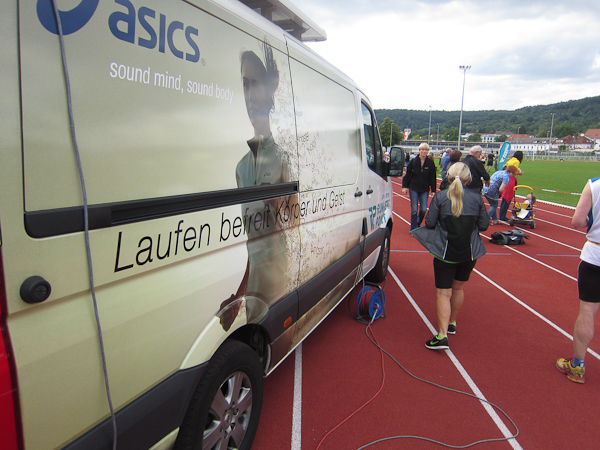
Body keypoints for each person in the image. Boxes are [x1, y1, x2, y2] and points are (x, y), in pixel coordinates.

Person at [220, 43, 289, 331]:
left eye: (256, 84)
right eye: (245, 84)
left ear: (269, 92)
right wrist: (239, 296)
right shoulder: (241, 168)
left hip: (281, 284)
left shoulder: (284, 158)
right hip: (255, 293)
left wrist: (278, 205)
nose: (249, 94)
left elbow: (294, 225)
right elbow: (255, 244)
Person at [411, 162, 489, 349]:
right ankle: (452, 322)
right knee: (458, 288)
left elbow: (430, 223)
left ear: (448, 177)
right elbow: (484, 225)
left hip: (445, 252)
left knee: (443, 292)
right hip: (469, 253)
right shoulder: (477, 199)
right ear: (469, 179)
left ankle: (442, 335)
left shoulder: (440, 197)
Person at [556, 177, 600, 383]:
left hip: (595, 255)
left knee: (588, 311)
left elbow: (577, 222)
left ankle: (577, 366)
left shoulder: (594, 184)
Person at [402, 143, 437, 230]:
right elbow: (407, 174)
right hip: (413, 187)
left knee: (423, 209)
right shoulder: (414, 161)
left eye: (426, 150)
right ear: (419, 150)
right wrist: (404, 186)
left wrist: (433, 190)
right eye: (422, 149)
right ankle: (413, 228)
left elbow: (433, 177)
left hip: (424, 189)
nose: (424, 151)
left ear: (428, 151)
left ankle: (418, 222)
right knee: (414, 210)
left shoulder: (430, 163)